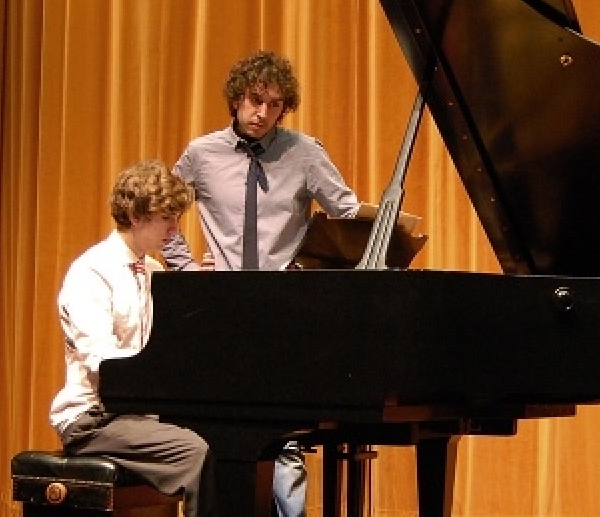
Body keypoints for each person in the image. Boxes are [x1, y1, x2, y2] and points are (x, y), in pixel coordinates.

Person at [162, 50, 364, 516]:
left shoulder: (304, 152)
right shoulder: (202, 154)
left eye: (274, 105)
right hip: (220, 311)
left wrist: (316, 270)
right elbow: (163, 209)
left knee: (286, 438)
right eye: (255, 101)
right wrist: (187, 272)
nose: (262, 113)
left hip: (285, 311)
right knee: (220, 429)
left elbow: (347, 216)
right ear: (236, 99)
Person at [49, 159, 218, 517]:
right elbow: (105, 365)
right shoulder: (91, 273)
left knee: (230, 442)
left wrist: (203, 294)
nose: (175, 230)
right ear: (137, 216)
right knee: (196, 451)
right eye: (166, 219)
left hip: (136, 413)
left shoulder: (153, 270)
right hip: (93, 419)